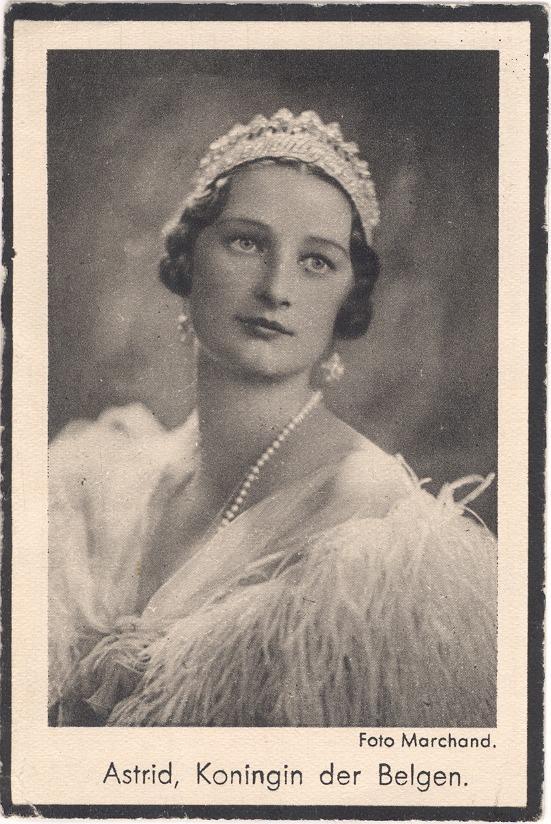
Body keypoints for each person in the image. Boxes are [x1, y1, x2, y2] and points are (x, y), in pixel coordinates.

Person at [48, 109, 497, 727]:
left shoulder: (376, 526)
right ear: (190, 259)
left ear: (347, 297)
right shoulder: (100, 478)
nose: (276, 287)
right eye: (247, 242)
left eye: (317, 261)